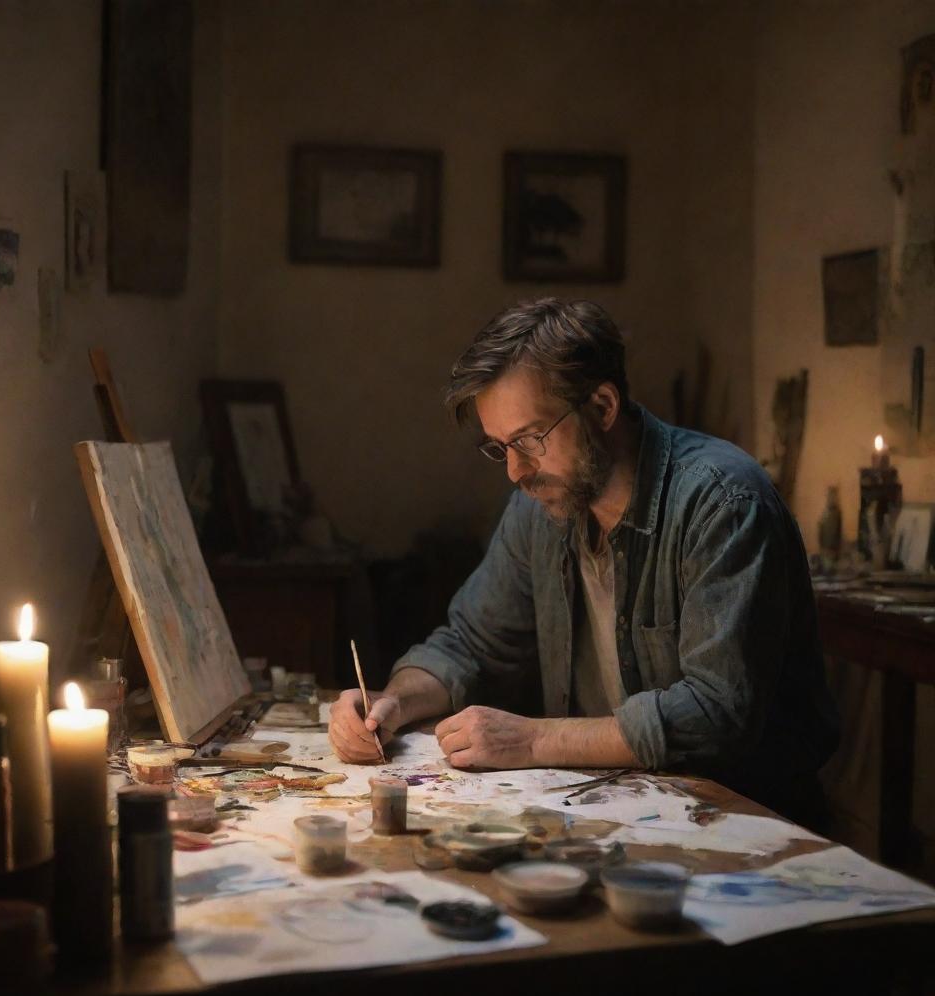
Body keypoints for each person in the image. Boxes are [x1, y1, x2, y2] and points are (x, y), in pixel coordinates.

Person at [329, 298, 839, 824]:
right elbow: (470, 643)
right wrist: (392, 703)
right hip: (617, 812)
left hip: (747, 825)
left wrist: (532, 741)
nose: (515, 471)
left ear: (601, 407)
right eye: (500, 446)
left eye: (529, 439)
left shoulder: (724, 502)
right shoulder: (542, 509)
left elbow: (715, 714)